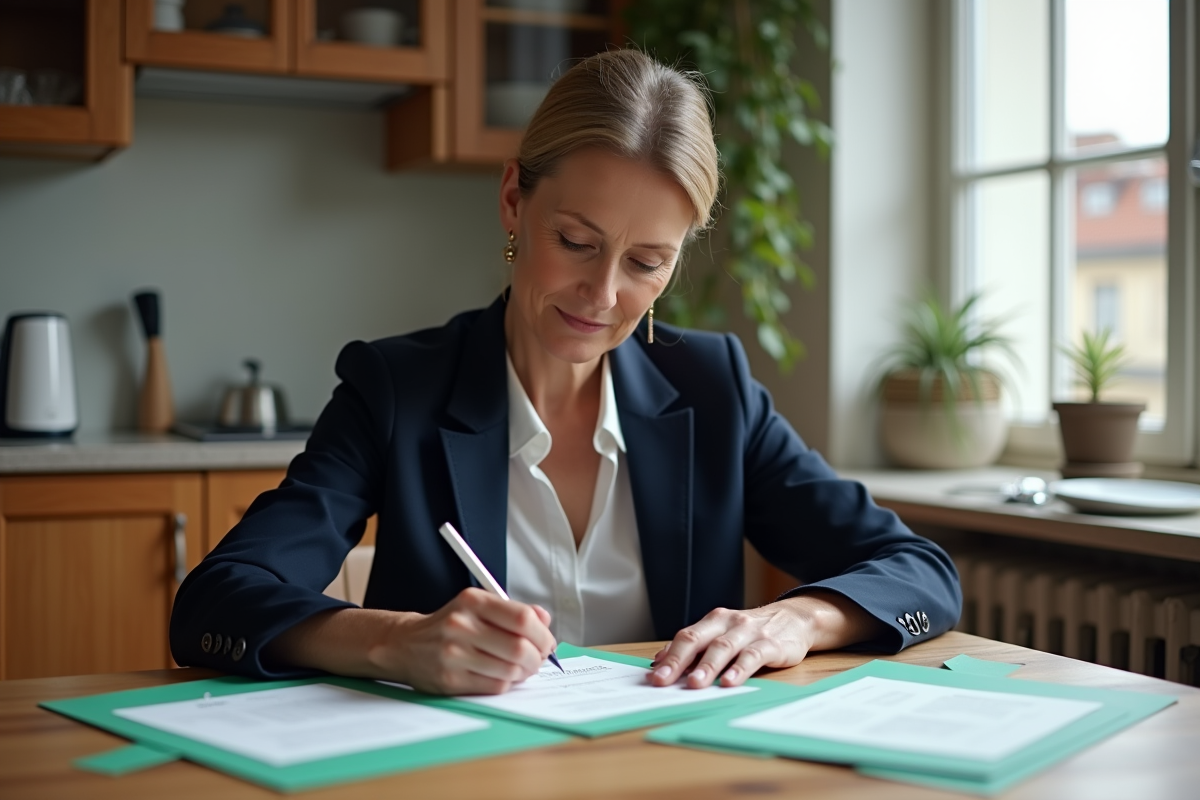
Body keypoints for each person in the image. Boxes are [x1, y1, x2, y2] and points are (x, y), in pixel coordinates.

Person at [170, 49, 961, 696]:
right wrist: (396, 642)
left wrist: (794, 621)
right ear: (515, 200)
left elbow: (919, 572)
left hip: (670, 775)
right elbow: (214, 600)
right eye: (577, 242)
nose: (605, 294)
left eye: (648, 262)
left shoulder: (713, 387)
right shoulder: (397, 389)